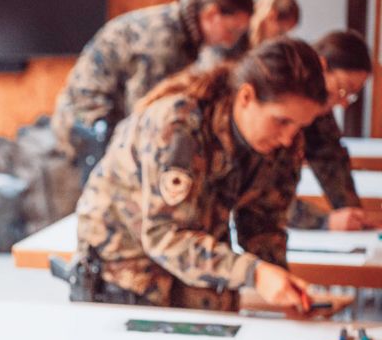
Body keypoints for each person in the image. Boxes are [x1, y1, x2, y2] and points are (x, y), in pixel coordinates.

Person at [69, 37, 327, 313]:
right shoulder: (178, 126)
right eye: (281, 121)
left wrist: (285, 288)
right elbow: (165, 236)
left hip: (189, 257)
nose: (288, 137)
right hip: (124, 266)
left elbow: (263, 225)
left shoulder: (281, 144)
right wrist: (254, 273)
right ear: (246, 97)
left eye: (300, 126)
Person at [50, 0, 254, 179]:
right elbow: (142, 113)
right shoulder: (163, 42)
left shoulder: (182, 30)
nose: (231, 41)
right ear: (211, 14)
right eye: (232, 31)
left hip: (106, 114)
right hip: (87, 118)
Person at [289, 30, 378, 231]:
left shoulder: (320, 110)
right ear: (322, 66)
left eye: (352, 95)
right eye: (343, 88)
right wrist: (324, 221)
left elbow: (331, 160)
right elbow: (263, 198)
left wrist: (354, 214)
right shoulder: (280, 103)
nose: (344, 103)